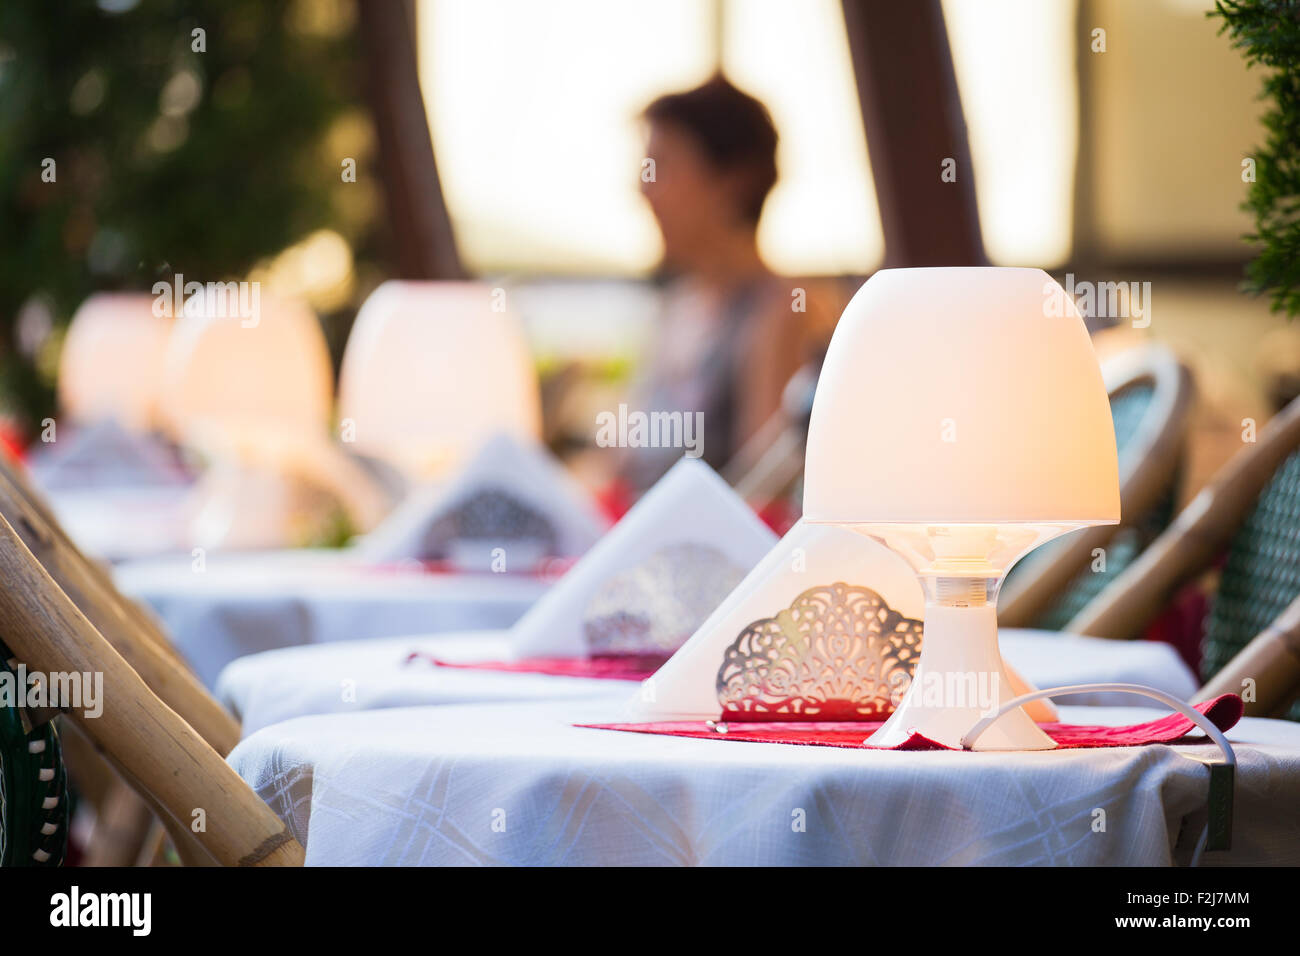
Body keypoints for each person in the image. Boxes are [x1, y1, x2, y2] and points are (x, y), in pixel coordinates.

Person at [623, 75, 838, 490]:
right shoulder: (677, 307)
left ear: (732, 182)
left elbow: (762, 493)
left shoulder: (783, 312)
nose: (642, 189)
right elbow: (623, 468)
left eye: (661, 166)